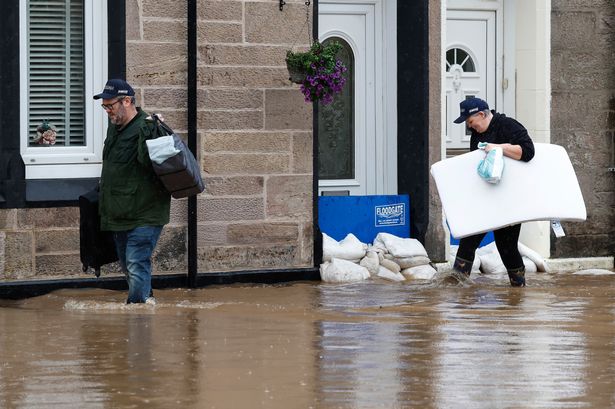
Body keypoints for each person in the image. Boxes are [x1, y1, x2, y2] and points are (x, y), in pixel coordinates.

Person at [93, 79, 171, 303]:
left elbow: (153, 166)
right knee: (129, 267)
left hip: (145, 212)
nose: (107, 111)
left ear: (127, 101)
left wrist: (153, 131)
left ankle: (136, 318)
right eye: (104, 107)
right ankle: (146, 303)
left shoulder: (147, 127)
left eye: (110, 106)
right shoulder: (115, 126)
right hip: (120, 213)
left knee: (137, 264)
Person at [451, 97, 535, 286]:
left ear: (481, 114)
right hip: (486, 197)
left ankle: (519, 287)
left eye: (471, 122)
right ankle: (455, 286)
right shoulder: (477, 135)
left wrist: (498, 148)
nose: (470, 127)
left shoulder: (508, 125)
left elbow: (528, 152)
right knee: (468, 239)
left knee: (506, 247)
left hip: (510, 199)